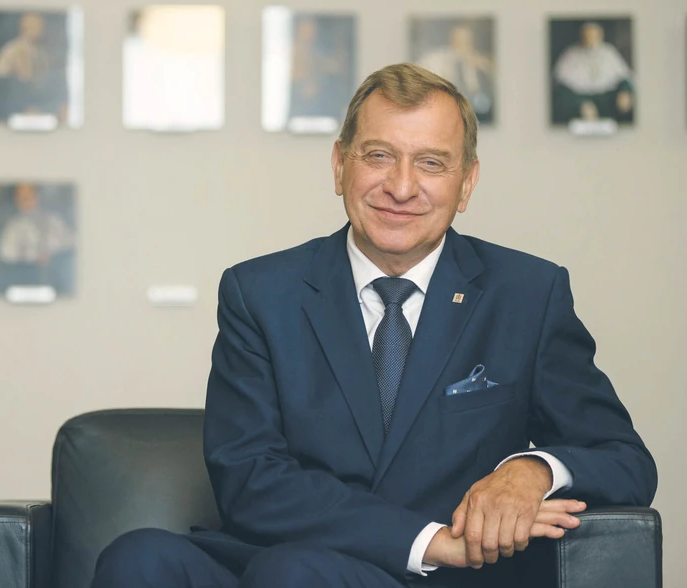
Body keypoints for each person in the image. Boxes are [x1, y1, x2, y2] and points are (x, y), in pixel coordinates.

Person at [91, 63, 656, 587]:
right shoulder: (259, 292)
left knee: (294, 574)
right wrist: (427, 540)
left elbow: (625, 458)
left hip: (441, 577)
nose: (401, 187)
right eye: (379, 155)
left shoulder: (528, 293)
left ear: (466, 183)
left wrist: (533, 469)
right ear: (340, 165)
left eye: (431, 163)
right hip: (293, 554)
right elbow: (249, 478)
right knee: (139, 557)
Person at [0, 183, 75, 291]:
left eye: (28, 196)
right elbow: (5, 253)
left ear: (37, 197)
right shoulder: (13, 227)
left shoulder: (53, 221)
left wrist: (53, 255)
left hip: (54, 280)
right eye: (20, 198)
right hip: (24, 282)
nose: (24, 202)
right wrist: (33, 256)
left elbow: (71, 241)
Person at [0, 12, 66, 121]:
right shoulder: (13, 50)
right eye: (34, 27)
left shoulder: (41, 53)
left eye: (40, 27)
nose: (39, 30)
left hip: (37, 104)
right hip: (15, 104)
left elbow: (42, 81)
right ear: (24, 28)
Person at [552, 22, 634, 123]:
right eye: (587, 35)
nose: (590, 39)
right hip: (579, 102)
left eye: (594, 35)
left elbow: (624, 78)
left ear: (601, 36)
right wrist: (579, 104)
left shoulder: (609, 52)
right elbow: (561, 87)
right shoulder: (570, 54)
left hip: (607, 102)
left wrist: (625, 92)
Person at [417, 23, 494, 122]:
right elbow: (421, 65)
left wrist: (481, 62)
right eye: (458, 41)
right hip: (448, 109)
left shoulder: (478, 61)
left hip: (477, 108)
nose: (461, 46)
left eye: (466, 42)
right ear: (451, 41)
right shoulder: (440, 57)